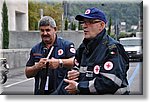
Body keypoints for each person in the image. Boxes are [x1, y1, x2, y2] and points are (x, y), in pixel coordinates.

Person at [63, 7, 130, 95]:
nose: (84, 26)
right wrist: (73, 74)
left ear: (101, 25)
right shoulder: (83, 48)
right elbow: (77, 67)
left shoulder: (113, 48)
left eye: (90, 22)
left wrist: (79, 87)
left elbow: (110, 82)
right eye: (83, 22)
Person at [25, 16, 75, 95]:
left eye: (48, 30)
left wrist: (59, 62)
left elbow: (75, 61)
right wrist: (37, 66)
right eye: (42, 30)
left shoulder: (66, 45)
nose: (45, 33)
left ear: (55, 30)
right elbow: (27, 73)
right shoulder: (35, 49)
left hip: (61, 93)